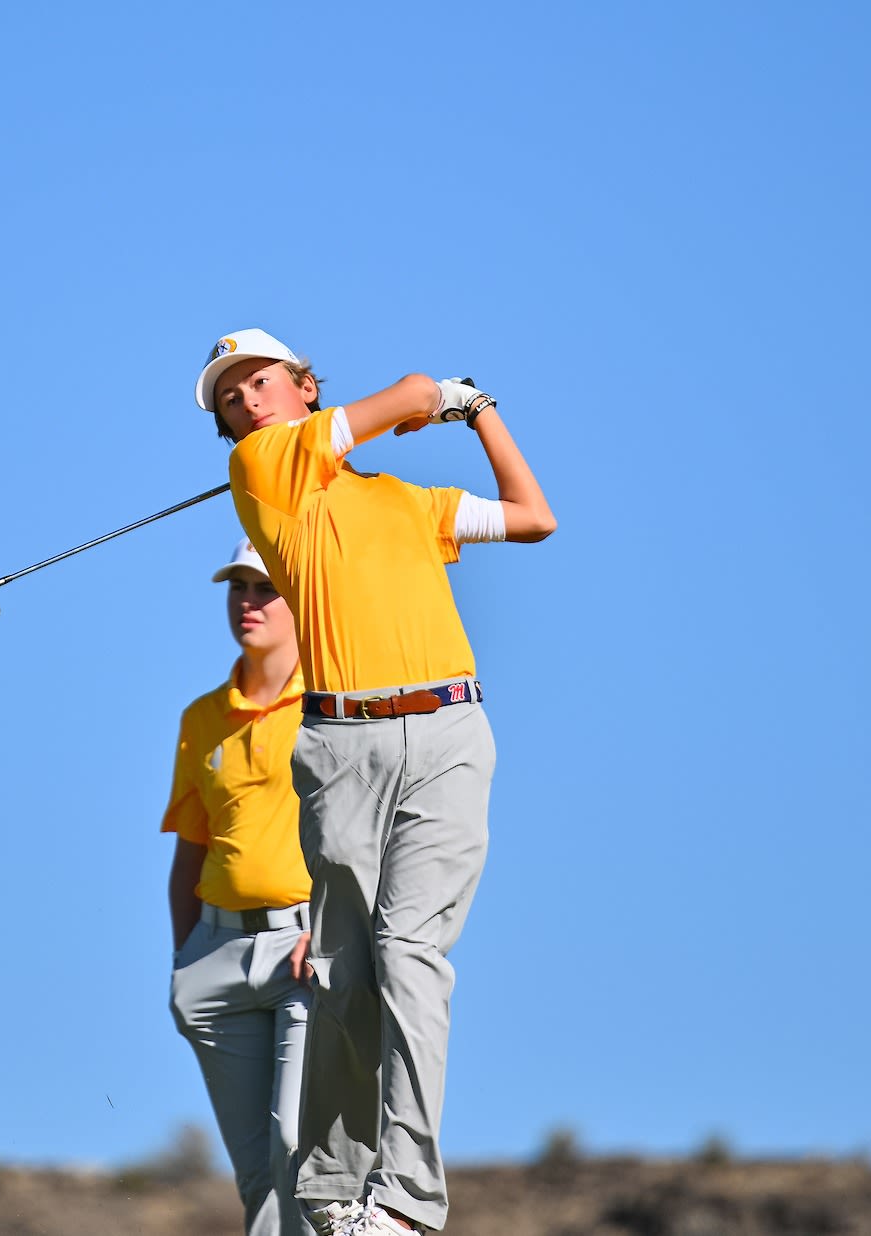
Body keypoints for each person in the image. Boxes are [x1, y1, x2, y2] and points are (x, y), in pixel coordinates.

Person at [192, 329, 557, 1236]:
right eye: (230, 399)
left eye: (260, 384)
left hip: (449, 732)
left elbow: (531, 515)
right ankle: (329, 1189)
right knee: (348, 977)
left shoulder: (405, 501)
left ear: (306, 387)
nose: (246, 403)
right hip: (343, 748)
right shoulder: (263, 468)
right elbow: (406, 390)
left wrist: (479, 416)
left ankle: (403, 1202)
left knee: (410, 958)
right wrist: (435, 396)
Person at [161, 536, 314, 1236]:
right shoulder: (201, 717)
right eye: (237, 589)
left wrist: (338, 931)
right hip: (216, 959)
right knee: (258, 1178)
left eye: (264, 588)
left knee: (302, 1157)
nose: (248, 603)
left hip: (305, 952)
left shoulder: (333, 700)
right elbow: (190, 857)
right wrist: (184, 959)